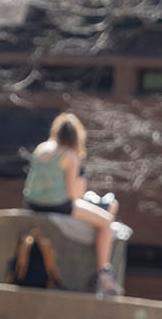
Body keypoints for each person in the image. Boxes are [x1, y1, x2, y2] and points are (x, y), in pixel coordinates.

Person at [21, 112, 122, 294]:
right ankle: (103, 274)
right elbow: (73, 195)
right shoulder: (70, 156)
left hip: (33, 203)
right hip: (58, 205)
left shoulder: (41, 148)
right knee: (106, 220)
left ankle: (103, 275)